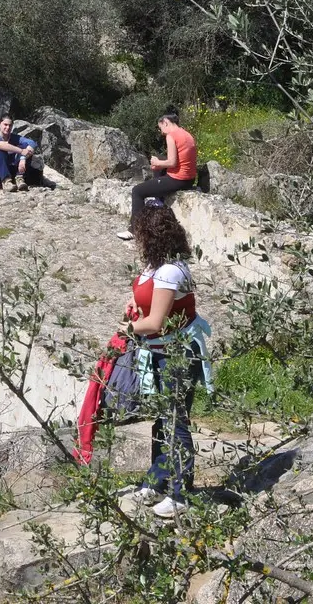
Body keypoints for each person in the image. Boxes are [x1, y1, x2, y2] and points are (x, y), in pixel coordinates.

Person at [123, 205, 211, 519]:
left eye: (139, 234)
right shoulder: (153, 267)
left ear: (151, 235)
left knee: (176, 420)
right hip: (158, 352)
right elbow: (145, 295)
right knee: (162, 418)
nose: (136, 241)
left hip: (176, 354)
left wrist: (125, 331)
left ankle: (181, 493)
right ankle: (158, 480)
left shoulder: (171, 271)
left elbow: (157, 321)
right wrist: (134, 302)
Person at [116, 107, 198, 240]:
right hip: (189, 179)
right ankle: (158, 200)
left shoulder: (172, 136)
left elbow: (172, 162)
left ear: (166, 122)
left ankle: (134, 229)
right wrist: (159, 163)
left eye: (161, 128)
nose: (161, 132)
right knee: (159, 162)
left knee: (137, 191)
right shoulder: (186, 134)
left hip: (178, 179)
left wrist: (157, 162)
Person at [0, 115, 46, 192]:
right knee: (0, 151)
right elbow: (0, 145)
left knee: (25, 146)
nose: (8, 128)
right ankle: (6, 181)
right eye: (5, 124)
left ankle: (19, 178)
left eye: (10, 125)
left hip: (11, 171)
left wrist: (23, 158)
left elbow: (32, 143)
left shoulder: (14, 137)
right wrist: (21, 151)